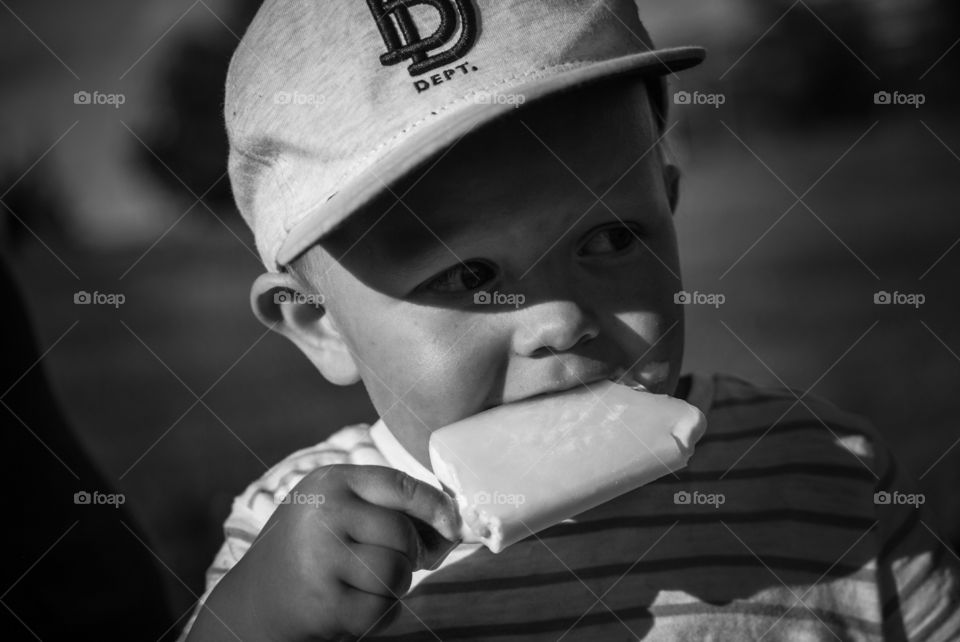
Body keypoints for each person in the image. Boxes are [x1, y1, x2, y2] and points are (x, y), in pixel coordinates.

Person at [183, 0, 960, 639]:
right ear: (320, 324)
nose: (558, 319)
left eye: (612, 237)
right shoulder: (298, 538)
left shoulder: (830, 476)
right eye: (469, 274)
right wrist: (251, 626)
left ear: (670, 212)